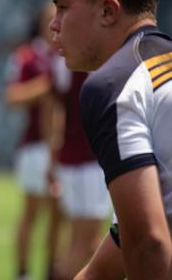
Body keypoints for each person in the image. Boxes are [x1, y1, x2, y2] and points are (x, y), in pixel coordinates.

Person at [42, 0, 172, 280]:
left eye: (63, 8)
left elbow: (148, 244)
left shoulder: (113, 84)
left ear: (108, 11)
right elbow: (121, 245)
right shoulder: (160, 65)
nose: (54, 25)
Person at [4, 2, 62, 280]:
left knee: (59, 216)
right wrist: (44, 86)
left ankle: (52, 270)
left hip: (63, 149)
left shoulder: (67, 54)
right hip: (35, 146)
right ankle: (23, 272)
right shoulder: (27, 57)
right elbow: (12, 96)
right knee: (32, 212)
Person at [49, 60, 111, 279]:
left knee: (87, 242)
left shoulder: (59, 64)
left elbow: (57, 113)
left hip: (72, 161)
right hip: (88, 162)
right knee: (83, 246)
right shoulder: (92, 56)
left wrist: (52, 156)